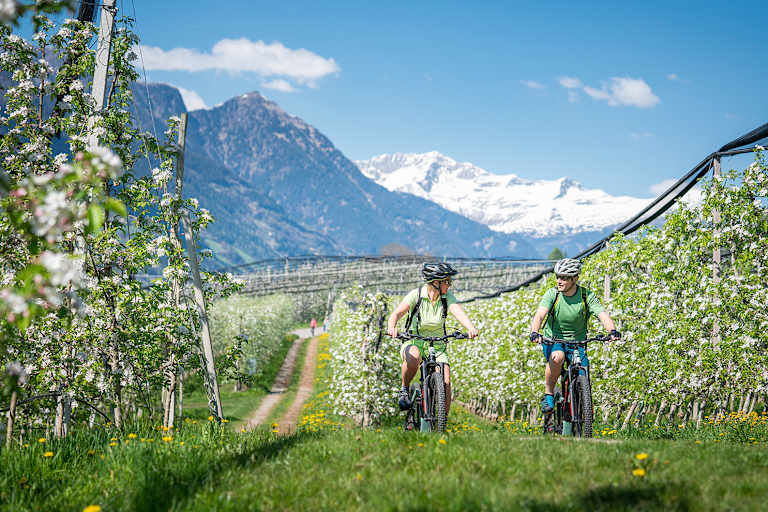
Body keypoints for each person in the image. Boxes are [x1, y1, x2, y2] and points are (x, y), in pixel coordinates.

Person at [529, 258, 621, 414]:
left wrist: (612, 330)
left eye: (564, 278)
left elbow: (602, 314)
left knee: (584, 370)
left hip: (577, 342)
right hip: (554, 340)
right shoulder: (553, 294)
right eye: (558, 276)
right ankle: (548, 394)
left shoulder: (586, 295)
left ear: (575, 278)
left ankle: (584, 408)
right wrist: (535, 332)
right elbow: (540, 315)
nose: (559, 281)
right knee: (557, 357)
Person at [386, 262, 479, 414]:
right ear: (436, 282)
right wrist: (392, 327)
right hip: (414, 341)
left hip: (437, 346)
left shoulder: (447, 297)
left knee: (446, 381)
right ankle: (404, 389)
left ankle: (442, 420)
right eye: (447, 281)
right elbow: (396, 314)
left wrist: (470, 328)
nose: (449, 285)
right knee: (414, 357)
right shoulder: (416, 295)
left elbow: (458, 311)